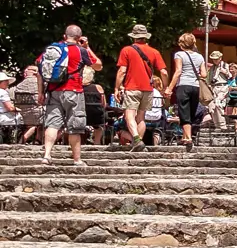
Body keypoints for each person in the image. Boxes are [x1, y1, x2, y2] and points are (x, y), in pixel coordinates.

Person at [38, 25, 101, 165]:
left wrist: (41, 92)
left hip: (54, 91)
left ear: (64, 36)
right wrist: (87, 47)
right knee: (75, 126)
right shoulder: (81, 50)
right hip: (74, 91)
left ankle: (47, 155)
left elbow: (40, 71)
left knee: (52, 124)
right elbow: (98, 65)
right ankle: (77, 160)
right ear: (79, 38)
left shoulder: (53, 50)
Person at [115, 25, 168, 149]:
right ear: (145, 37)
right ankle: (137, 144)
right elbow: (164, 72)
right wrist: (165, 88)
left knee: (129, 114)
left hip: (132, 87)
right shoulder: (154, 52)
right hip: (148, 89)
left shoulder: (127, 50)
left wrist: (117, 88)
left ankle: (136, 139)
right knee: (141, 117)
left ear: (134, 37)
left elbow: (122, 71)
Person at [164, 33, 209, 152]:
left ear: (181, 44)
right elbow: (204, 74)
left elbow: (178, 71)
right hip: (195, 86)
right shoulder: (200, 57)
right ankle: (185, 136)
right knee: (191, 111)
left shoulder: (179, 54)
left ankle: (188, 138)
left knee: (184, 111)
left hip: (183, 85)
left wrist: (169, 88)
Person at [0, 72, 20, 143]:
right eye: (6, 81)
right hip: (3, 117)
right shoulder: (3, 92)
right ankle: (14, 139)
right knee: (20, 118)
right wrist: (18, 109)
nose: (8, 83)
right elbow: (10, 108)